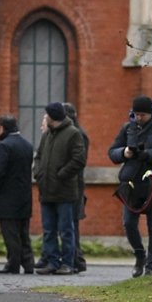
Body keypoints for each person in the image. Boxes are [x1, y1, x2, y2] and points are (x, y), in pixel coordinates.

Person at [108, 95, 152, 278]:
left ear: (151, 113)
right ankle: (139, 255)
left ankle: (151, 266)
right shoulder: (128, 129)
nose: (139, 118)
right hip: (132, 184)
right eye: (137, 114)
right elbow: (112, 152)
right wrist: (124, 153)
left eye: (143, 114)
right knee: (129, 223)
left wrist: (148, 154)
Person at [32, 102, 85, 275]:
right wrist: (38, 172)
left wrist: (61, 175)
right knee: (48, 230)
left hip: (65, 191)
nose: (45, 117)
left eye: (47, 114)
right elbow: (39, 156)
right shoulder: (47, 135)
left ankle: (68, 263)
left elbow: (78, 160)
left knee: (66, 230)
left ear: (52, 116)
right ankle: (52, 261)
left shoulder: (73, 134)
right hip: (46, 190)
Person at [0, 114, 35, 274]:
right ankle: (29, 264)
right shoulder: (27, 145)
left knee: (10, 233)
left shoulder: (4, 146)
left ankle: (13, 264)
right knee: (23, 232)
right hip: (24, 195)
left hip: (7, 196)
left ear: (2, 127)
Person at [63, 102, 89, 273]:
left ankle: (77, 258)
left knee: (71, 223)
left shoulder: (77, 135)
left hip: (74, 185)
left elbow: (78, 161)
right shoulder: (79, 133)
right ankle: (77, 258)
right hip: (74, 184)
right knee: (71, 223)